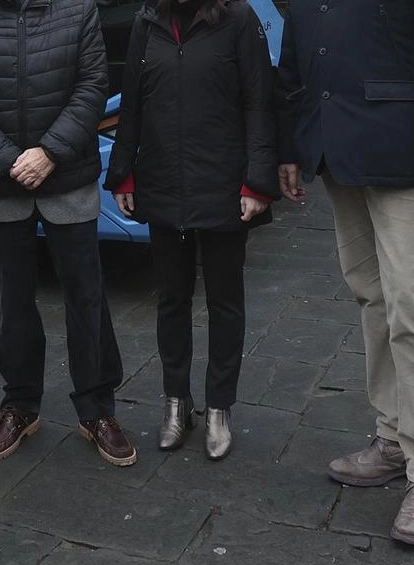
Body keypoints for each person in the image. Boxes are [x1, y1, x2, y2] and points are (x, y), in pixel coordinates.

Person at [276, 0, 414, 546]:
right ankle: (393, 438)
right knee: (372, 296)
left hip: (407, 157)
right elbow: (296, 57)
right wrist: (293, 146)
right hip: (337, 152)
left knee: (411, 307)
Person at [0, 0, 136, 467]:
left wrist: (49, 153)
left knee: (86, 297)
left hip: (66, 174)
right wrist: (9, 159)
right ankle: (20, 405)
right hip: (0, 179)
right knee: (13, 300)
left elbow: (93, 86)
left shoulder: (78, 8)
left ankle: (97, 411)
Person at [104, 0, 277, 460]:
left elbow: (260, 103)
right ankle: (176, 402)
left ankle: (219, 406)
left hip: (223, 186)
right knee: (171, 299)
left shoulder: (239, 19)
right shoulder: (147, 21)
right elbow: (133, 100)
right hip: (163, 182)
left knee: (224, 301)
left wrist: (257, 182)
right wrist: (123, 172)